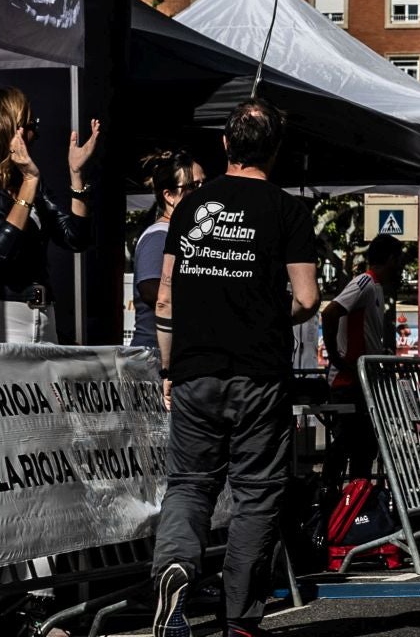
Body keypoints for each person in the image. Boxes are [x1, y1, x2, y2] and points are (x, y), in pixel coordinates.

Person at [151, 99, 318, 637]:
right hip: (259, 373)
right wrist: (269, 314)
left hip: (195, 369)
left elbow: (165, 300)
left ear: (224, 145)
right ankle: (240, 616)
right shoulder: (287, 210)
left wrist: (168, 369)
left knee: (190, 485)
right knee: (256, 492)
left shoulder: (190, 208)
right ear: (275, 149)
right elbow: (308, 298)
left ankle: (175, 565)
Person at [0, 86, 100, 343]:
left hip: (42, 315)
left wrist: (76, 175)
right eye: (30, 125)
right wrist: (29, 182)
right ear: (7, 127)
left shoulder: (28, 180)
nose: (35, 134)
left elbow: (76, 238)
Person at [321, 234, 406, 486]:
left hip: (361, 381)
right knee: (348, 443)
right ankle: (329, 495)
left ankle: (358, 501)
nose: (401, 266)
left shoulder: (376, 288)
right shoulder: (364, 283)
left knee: (365, 447)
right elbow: (330, 312)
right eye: (399, 259)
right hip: (348, 383)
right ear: (391, 258)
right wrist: (336, 357)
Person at [132, 149, 204, 350]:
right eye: (193, 186)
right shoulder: (159, 236)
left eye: (203, 184)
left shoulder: (184, 234)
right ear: (169, 195)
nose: (202, 192)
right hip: (154, 356)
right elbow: (151, 291)